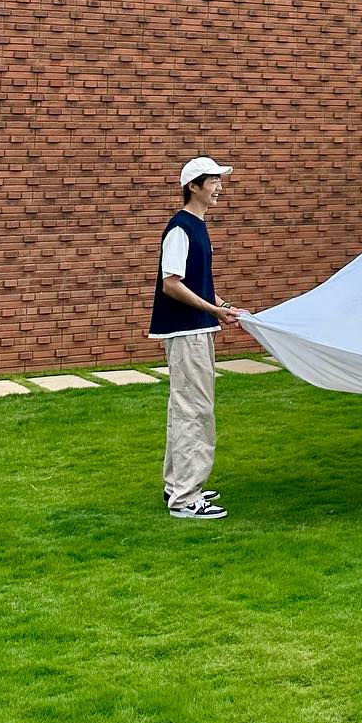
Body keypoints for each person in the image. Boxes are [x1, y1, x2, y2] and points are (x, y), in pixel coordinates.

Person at [148, 156, 251, 519]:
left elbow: (197, 283)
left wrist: (226, 306)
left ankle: (177, 485)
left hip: (198, 329)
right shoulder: (181, 228)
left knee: (187, 409)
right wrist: (213, 311)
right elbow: (171, 284)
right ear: (193, 186)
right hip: (187, 331)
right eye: (214, 180)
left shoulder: (197, 226)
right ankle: (186, 499)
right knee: (195, 411)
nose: (220, 186)